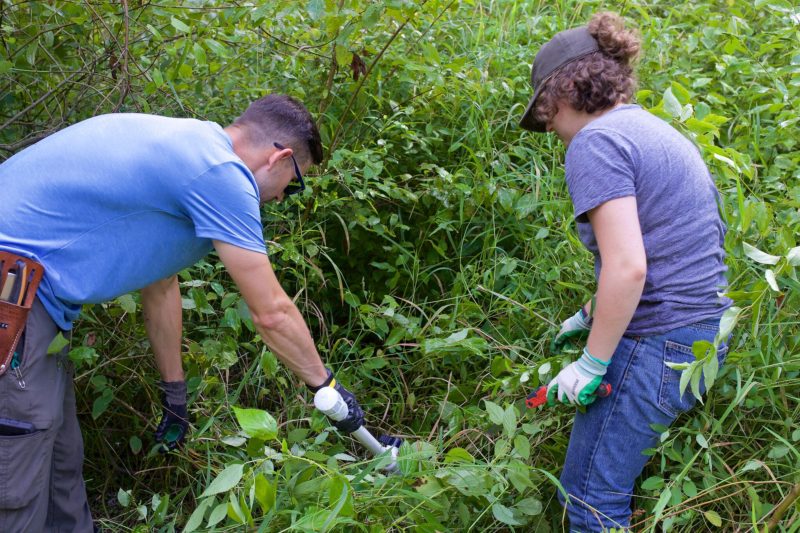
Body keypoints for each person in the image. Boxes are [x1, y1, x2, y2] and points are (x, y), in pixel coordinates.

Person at [0, 94, 364, 532]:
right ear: (280, 157)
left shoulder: (189, 147)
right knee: (16, 472)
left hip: (33, 300)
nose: (285, 195)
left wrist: (174, 392)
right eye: (295, 182)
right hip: (13, 294)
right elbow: (271, 312)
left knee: (58, 454)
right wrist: (326, 386)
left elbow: (160, 282)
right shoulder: (220, 174)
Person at [519, 12, 731, 531]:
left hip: (658, 341)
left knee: (590, 500)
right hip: (701, 335)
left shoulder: (596, 142)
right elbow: (668, 251)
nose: (550, 131)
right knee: (608, 486)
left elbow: (630, 266)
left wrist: (593, 362)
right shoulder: (652, 130)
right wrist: (588, 313)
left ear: (560, 96)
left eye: (546, 117)